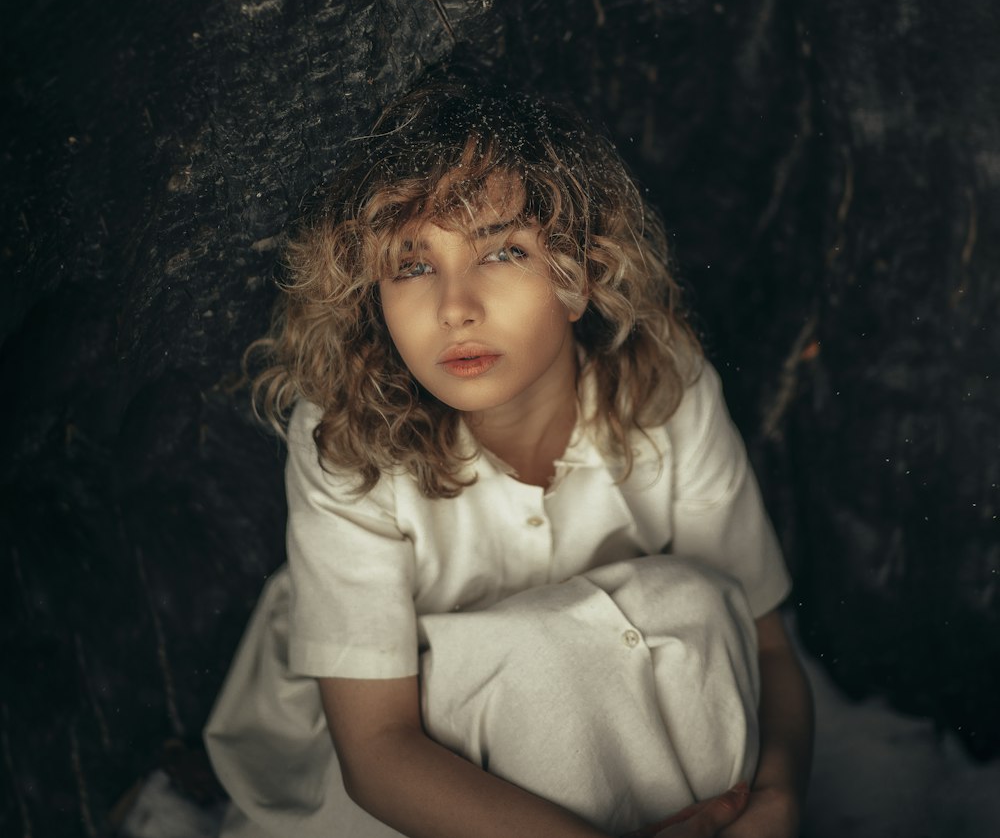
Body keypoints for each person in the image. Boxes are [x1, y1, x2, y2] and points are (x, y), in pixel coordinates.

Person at [205, 80, 813, 838]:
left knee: (693, 609)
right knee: (538, 661)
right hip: (413, 779)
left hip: (628, 737)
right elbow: (377, 753)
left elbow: (764, 644)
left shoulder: (665, 384)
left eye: (502, 251)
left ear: (578, 276)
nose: (456, 307)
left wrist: (779, 798)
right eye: (415, 266)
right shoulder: (345, 436)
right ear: (373, 294)